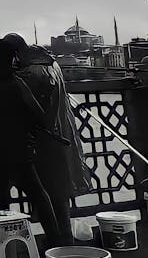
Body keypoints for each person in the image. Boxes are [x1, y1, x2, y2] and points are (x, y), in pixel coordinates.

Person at [0, 38, 63, 248]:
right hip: (19, 150)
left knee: (0, 198)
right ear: (11, 58)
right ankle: (56, 242)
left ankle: (2, 248)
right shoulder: (14, 83)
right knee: (39, 195)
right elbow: (38, 115)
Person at [9, 33, 90, 244]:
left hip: (46, 138)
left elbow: (31, 108)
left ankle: (60, 240)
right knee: (59, 189)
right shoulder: (50, 64)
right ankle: (63, 236)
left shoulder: (31, 72)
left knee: (50, 189)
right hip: (61, 132)